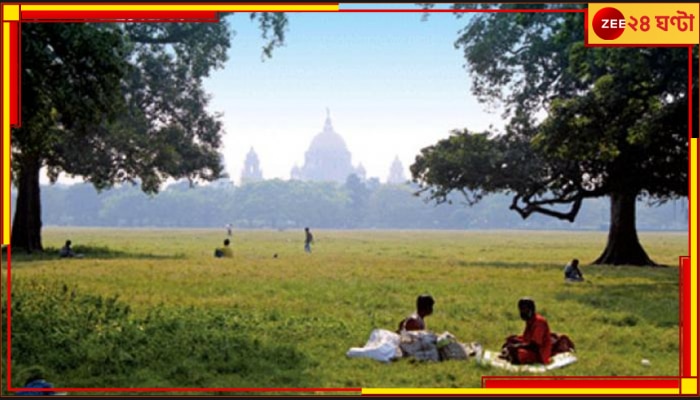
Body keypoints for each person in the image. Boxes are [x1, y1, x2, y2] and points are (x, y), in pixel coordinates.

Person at [501, 297, 552, 365]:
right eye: (521, 309)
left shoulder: (539, 322)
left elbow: (535, 346)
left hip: (539, 353)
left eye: (524, 309)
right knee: (510, 341)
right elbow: (527, 339)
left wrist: (516, 346)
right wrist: (514, 340)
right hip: (530, 347)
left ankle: (512, 356)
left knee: (519, 353)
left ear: (531, 310)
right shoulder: (530, 320)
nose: (522, 312)